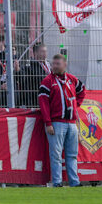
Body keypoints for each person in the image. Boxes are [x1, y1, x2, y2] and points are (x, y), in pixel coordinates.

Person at [39, 54, 86, 187]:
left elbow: (82, 90)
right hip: (56, 123)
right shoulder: (48, 81)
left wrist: (76, 105)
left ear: (64, 64)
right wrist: (48, 123)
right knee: (56, 155)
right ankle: (57, 182)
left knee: (72, 155)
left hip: (71, 123)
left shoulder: (72, 79)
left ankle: (74, 182)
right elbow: (43, 104)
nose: (54, 66)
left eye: (57, 64)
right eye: (53, 64)